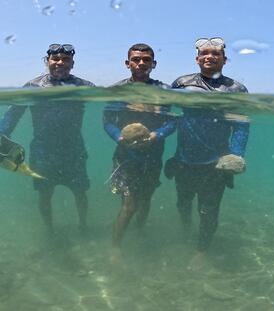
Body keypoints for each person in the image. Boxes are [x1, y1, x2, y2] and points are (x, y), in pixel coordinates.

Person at [169, 37, 249, 269]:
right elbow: (168, 114)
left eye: (216, 53)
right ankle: (185, 230)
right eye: (205, 53)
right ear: (197, 59)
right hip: (183, 160)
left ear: (224, 59)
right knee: (182, 202)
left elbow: (242, 124)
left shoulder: (235, 89)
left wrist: (235, 155)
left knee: (208, 210)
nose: (210, 57)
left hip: (216, 164)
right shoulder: (181, 83)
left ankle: (201, 250)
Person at [0, 44, 94, 235]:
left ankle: (83, 225)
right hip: (43, 152)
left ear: (72, 64)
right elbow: (13, 114)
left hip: (73, 150)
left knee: (80, 192)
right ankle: (49, 230)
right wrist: (2, 135)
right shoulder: (33, 87)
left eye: (65, 59)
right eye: (55, 59)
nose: (60, 62)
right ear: (47, 61)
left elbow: (110, 109)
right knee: (45, 194)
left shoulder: (85, 87)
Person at [103, 43, 175, 262]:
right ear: (127, 63)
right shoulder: (118, 91)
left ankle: (140, 231)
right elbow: (107, 121)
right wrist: (119, 137)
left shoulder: (164, 91)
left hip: (153, 157)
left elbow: (172, 122)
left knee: (146, 199)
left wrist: (156, 135)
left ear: (154, 63)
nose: (141, 63)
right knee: (129, 204)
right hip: (126, 157)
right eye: (136, 59)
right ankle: (115, 246)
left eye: (146, 59)